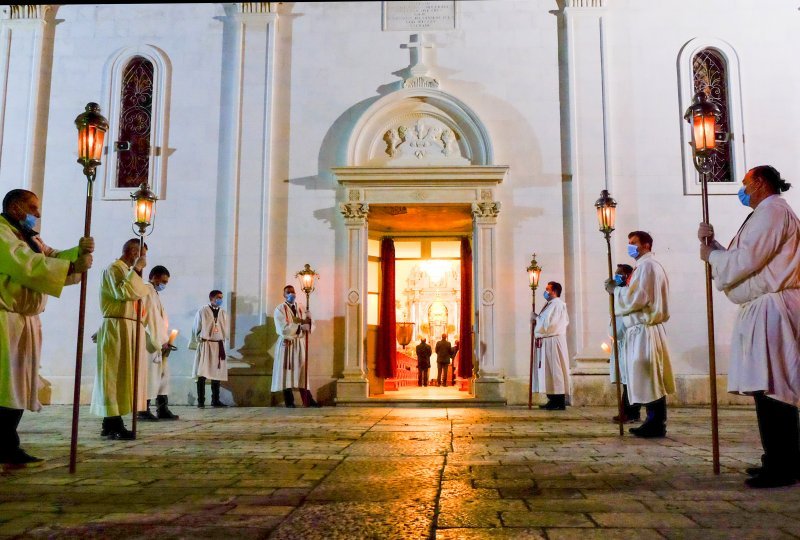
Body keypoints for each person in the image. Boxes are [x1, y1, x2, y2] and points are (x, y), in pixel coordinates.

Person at [698, 165, 800, 488]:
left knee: (774, 391)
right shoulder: (766, 214)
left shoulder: (773, 212)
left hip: (774, 309)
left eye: (744, 183)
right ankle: (776, 459)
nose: (741, 190)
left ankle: (783, 466)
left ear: (759, 182)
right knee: (765, 389)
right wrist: (714, 249)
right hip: (763, 309)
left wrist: (713, 259)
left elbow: (746, 261)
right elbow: (744, 260)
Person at [0, 189, 92, 464]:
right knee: (6, 383)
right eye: (32, 208)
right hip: (5, 319)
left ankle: (7, 441)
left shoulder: (28, 237)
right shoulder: (3, 235)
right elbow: (27, 265)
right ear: (15, 207)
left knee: (20, 382)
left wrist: (79, 251)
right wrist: (72, 266)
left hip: (24, 321)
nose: (36, 214)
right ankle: (4, 442)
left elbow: (50, 255)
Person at [605, 231, 674, 438]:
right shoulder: (642, 267)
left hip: (644, 328)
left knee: (649, 375)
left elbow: (638, 297)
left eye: (633, 243)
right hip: (640, 329)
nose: (630, 247)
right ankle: (652, 420)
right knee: (646, 376)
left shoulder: (648, 267)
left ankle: (655, 422)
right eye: (629, 243)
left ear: (646, 245)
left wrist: (616, 291)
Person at [90, 238, 149, 440]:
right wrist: (137, 271)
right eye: (142, 256)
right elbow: (123, 292)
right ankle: (114, 422)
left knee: (123, 376)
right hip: (117, 327)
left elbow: (140, 294)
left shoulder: (127, 272)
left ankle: (110, 423)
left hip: (128, 327)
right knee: (113, 376)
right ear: (133, 252)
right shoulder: (114, 269)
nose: (144, 260)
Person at [140, 265, 178, 421]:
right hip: (149, 342)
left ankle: (162, 408)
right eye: (163, 281)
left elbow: (160, 320)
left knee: (163, 376)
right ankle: (142, 409)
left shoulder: (154, 293)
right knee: (149, 377)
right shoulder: (146, 291)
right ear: (154, 277)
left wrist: (165, 340)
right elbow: (147, 319)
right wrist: (157, 340)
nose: (164, 285)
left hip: (160, 342)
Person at [271, 285, 318, 407]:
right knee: (286, 371)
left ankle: (308, 400)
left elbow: (309, 322)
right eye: (288, 292)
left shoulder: (301, 307)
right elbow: (282, 328)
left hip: (299, 343)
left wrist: (309, 321)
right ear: (284, 295)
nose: (291, 294)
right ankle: (289, 401)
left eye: (293, 292)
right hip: (287, 343)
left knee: (303, 371)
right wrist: (299, 327)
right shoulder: (279, 309)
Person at [608, 264, 641, 423]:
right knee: (627, 379)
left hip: (630, 339)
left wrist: (616, 291)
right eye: (615, 274)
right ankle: (627, 411)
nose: (616, 277)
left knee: (630, 378)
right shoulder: (622, 292)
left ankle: (630, 412)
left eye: (619, 274)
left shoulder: (629, 291)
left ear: (627, 275)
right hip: (622, 341)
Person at [532, 281, 570, 410]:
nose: (545, 291)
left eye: (547, 289)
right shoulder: (550, 304)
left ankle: (559, 400)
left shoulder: (558, 305)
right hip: (547, 341)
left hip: (553, 341)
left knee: (555, 369)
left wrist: (537, 319)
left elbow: (552, 324)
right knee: (548, 370)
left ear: (554, 291)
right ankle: (552, 398)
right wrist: (538, 318)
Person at [190, 290, 229, 408]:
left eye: (221, 297)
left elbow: (225, 329)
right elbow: (196, 326)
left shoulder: (223, 312)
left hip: (218, 344)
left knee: (216, 373)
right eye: (218, 297)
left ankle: (215, 400)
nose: (220, 299)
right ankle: (201, 400)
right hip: (206, 344)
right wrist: (197, 340)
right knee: (202, 372)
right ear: (211, 298)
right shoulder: (203, 311)